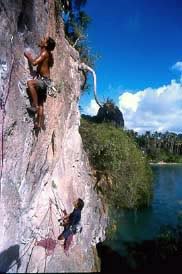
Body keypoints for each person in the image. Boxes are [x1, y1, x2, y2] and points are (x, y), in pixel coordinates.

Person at [24, 36, 56, 128]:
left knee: (30, 83)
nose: (41, 39)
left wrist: (28, 56)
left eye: (43, 39)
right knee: (41, 102)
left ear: (45, 44)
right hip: (46, 81)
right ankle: (38, 123)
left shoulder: (44, 53)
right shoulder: (47, 54)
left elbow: (34, 63)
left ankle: (34, 106)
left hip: (44, 81)